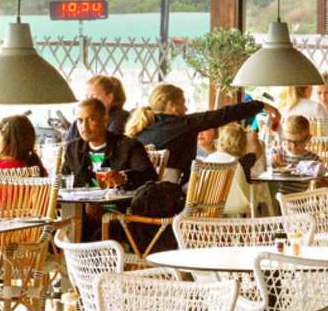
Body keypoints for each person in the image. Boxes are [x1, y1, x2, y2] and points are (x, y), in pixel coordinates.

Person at [61, 97, 159, 240]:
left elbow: (149, 176)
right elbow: (64, 181)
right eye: (80, 121)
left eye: (91, 119)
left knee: (91, 235)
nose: (84, 126)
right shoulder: (73, 149)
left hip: (121, 215)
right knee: (55, 231)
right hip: (83, 213)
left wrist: (124, 177)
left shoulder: (127, 145)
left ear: (105, 119)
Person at [131, 83, 266, 183]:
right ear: (173, 106)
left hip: (140, 195)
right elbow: (223, 115)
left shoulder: (141, 128)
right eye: (183, 103)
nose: (186, 108)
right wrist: (260, 105)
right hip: (170, 197)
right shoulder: (182, 124)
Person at [62, 74, 129, 142]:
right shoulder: (81, 119)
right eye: (87, 97)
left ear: (109, 97)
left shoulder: (120, 117)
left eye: (94, 97)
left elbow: (108, 143)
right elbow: (67, 144)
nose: (89, 101)